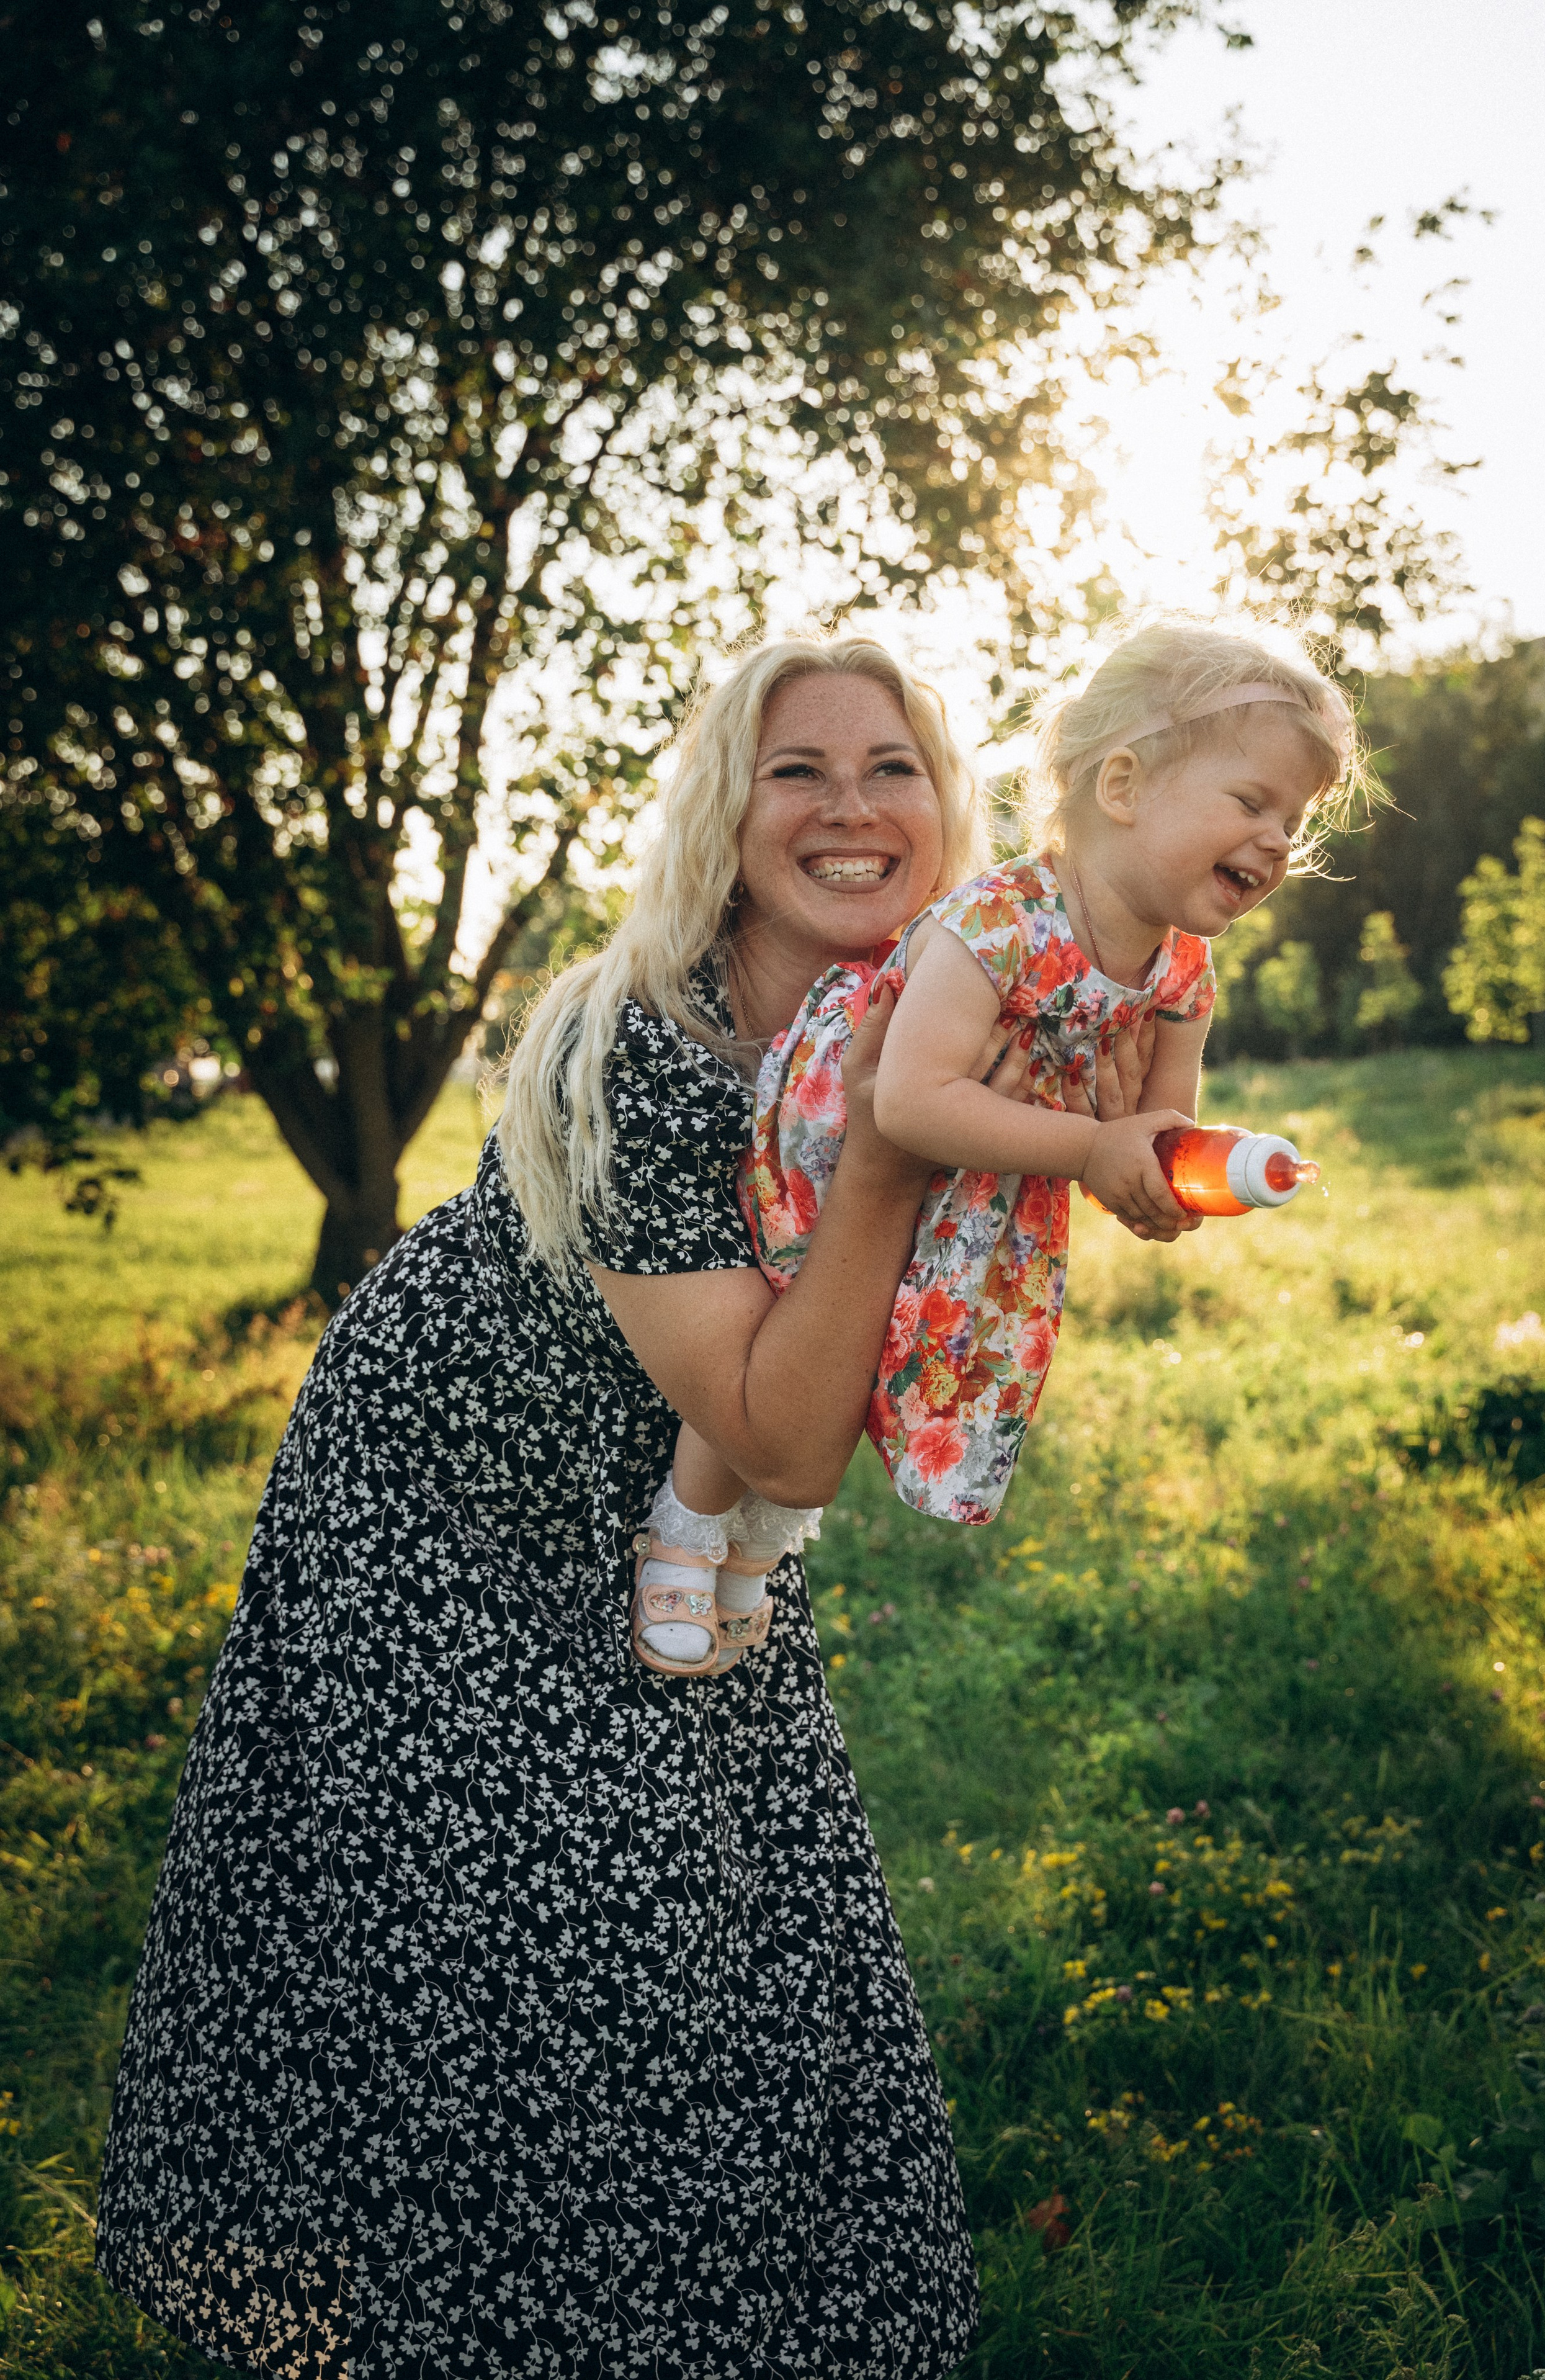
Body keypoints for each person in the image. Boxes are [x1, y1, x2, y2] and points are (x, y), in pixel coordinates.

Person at [96, 630, 1163, 2380]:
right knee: (520, 1935)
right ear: (725, 810)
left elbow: (1110, 1073)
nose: (849, 807)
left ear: (947, 803)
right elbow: (790, 1433)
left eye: (891, 767)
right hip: (441, 1487)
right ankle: (469, 2324)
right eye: (796, 768)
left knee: (744, 1906)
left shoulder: (949, 1000)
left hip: (668, 1500)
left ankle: (764, 2328)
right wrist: (895, 1148)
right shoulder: (642, 1043)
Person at [642, 620, 1358, 1617]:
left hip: (968, 1175)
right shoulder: (1000, 920)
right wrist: (1092, 1148)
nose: (1280, 839)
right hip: (835, 1133)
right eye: (1251, 802)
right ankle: (684, 1528)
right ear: (1123, 788)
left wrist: (1175, 1181)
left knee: (890, 1340)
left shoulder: (1186, 975)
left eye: (1297, 816)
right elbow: (907, 1097)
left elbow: (1153, 1132)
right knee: (794, 1304)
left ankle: (759, 1543)